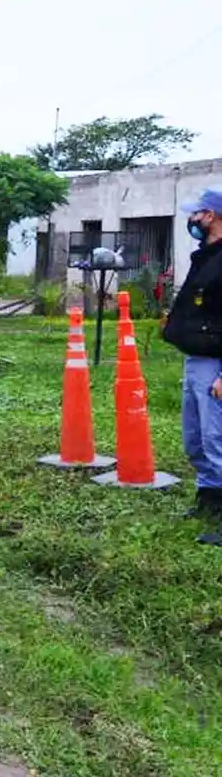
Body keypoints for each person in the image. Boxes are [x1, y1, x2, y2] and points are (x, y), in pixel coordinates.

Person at [162, 187, 222, 545]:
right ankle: (210, 500)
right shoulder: (207, 255)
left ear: (211, 216)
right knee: (196, 438)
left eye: (196, 214)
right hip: (196, 359)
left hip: (215, 363)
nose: (192, 221)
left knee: (218, 438)